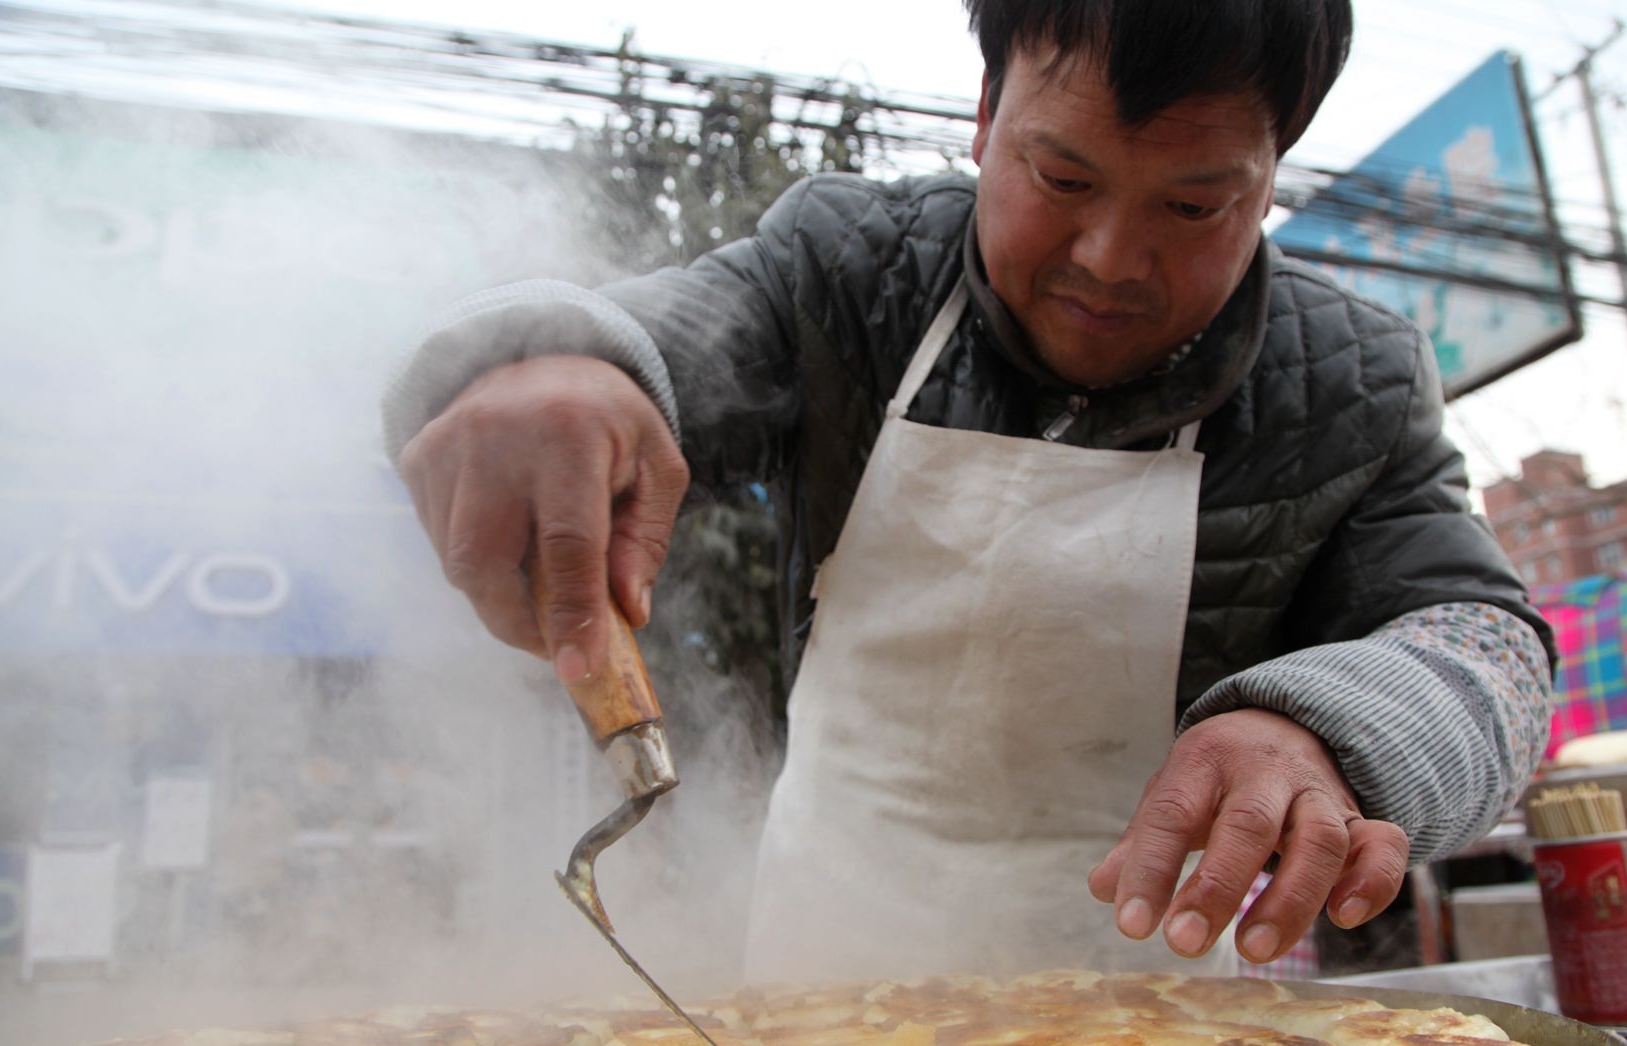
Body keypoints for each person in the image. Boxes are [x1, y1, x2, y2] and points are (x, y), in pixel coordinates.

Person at [384, 0, 1553, 981]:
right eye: (1062, 174)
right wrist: (558, 364)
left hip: (1159, 1044)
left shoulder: (1351, 384)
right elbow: (659, 338)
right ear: (987, 115)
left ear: (1272, 174)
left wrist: (1332, 736)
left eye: (1193, 206)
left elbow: (1486, 643)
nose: (1108, 257)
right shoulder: (850, 272)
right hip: (819, 979)